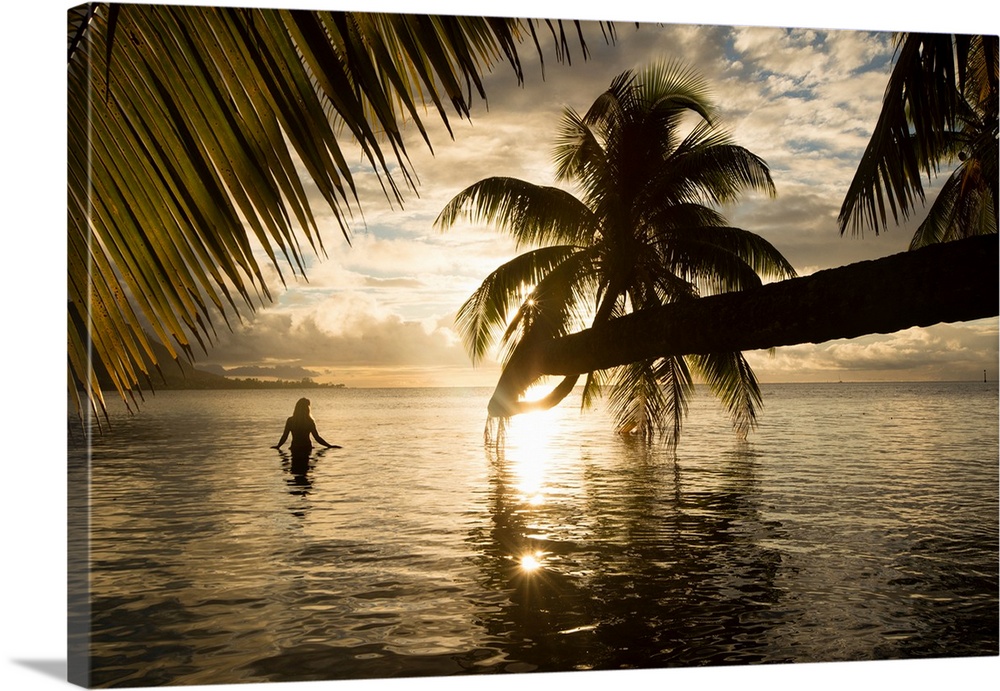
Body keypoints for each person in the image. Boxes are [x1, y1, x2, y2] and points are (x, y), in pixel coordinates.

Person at [272, 397, 340, 453]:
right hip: (307, 447)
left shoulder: (291, 421)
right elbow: (317, 438)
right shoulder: (309, 422)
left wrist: (278, 446)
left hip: (295, 447)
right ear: (307, 409)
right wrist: (329, 446)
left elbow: (285, 436)